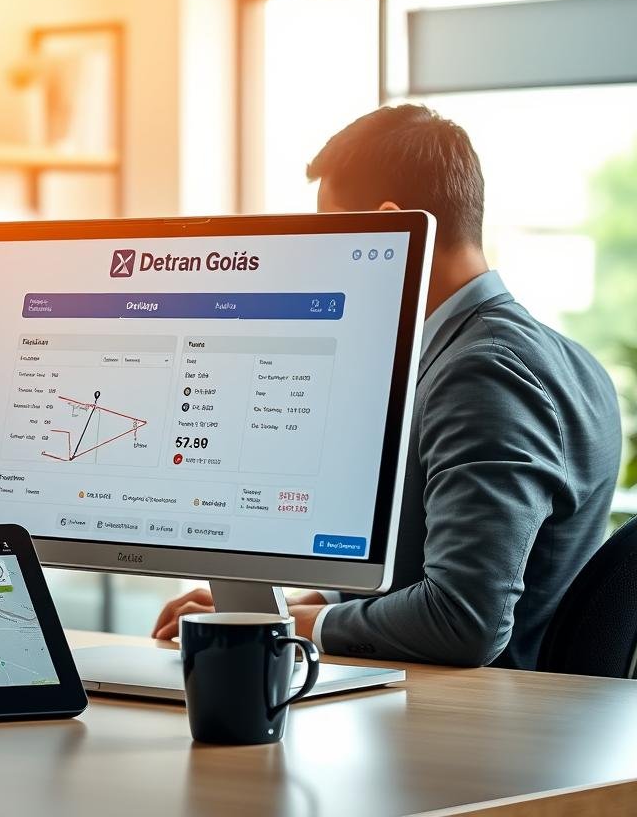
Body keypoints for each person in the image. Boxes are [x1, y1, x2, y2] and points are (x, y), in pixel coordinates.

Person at [153, 104, 622, 669]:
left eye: (329, 230)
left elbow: (463, 619)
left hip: (471, 731)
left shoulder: (483, 372)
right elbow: (431, 563)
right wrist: (312, 601)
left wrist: (286, 624)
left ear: (387, 224)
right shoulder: (550, 354)